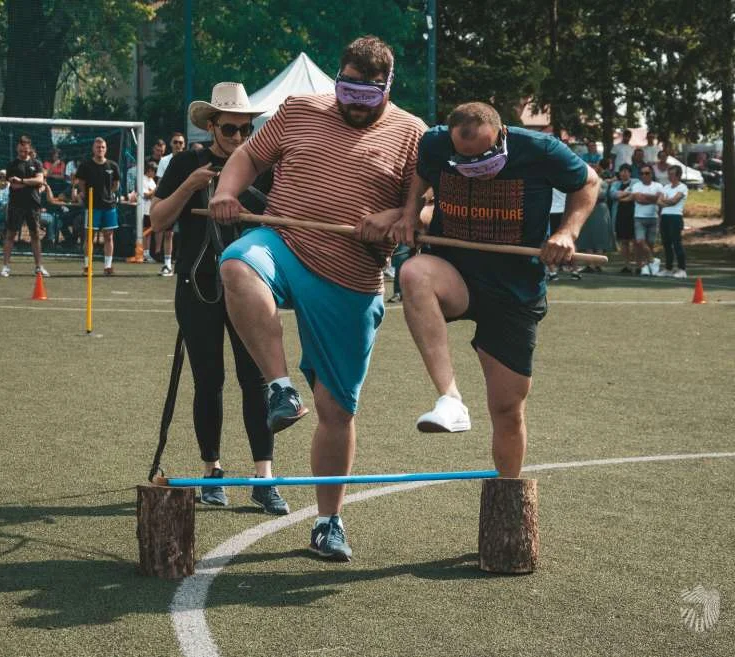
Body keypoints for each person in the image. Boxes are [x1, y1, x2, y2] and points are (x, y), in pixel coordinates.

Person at [209, 36, 427, 561]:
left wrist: (399, 219)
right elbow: (248, 156)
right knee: (237, 262)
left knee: (336, 410)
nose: (354, 101)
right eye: (347, 88)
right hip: (283, 242)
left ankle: (329, 523)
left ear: (387, 88)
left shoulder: (414, 134)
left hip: (351, 279)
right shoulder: (301, 109)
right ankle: (280, 389)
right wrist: (226, 192)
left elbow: (425, 212)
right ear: (337, 78)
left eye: (367, 94)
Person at [383, 101, 597, 481]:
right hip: (455, 274)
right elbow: (422, 176)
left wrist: (567, 232)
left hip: (514, 292)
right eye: (464, 158)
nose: (474, 164)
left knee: (507, 409)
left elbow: (588, 183)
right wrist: (410, 214)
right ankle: (450, 400)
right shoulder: (434, 143)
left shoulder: (539, 149)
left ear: (501, 135)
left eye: (483, 155)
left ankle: (509, 494)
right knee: (414, 273)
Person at [150, 82, 289, 513]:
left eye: (246, 130)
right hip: (198, 287)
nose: (238, 138)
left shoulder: (261, 165)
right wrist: (190, 186)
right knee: (208, 381)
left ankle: (263, 478)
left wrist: (248, 195)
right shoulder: (186, 162)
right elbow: (157, 220)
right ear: (211, 125)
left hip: (250, 286)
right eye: (230, 129)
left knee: (259, 382)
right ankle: (212, 470)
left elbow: (283, 219)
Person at [0, 135, 48, 278]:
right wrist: (30, 183)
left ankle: (39, 266)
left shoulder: (37, 163)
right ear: (17, 148)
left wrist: (22, 181)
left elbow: (40, 180)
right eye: (21, 149)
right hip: (16, 204)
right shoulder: (12, 165)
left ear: (29, 148)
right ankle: (6, 266)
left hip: (33, 204)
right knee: (10, 234)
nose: (23, 152)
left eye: (26, 150)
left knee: (35, 235)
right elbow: (13, 185)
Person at [74, 137, 120, 275]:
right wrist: (84, 194)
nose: (100, 149)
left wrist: (109, 194)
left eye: (103, 147)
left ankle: (108, 266)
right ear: (93, 149)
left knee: (109, 236)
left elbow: (116, 184)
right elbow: (80, 182)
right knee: (90, 236)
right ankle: (87, 266)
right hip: (92, 206)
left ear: (106, 149)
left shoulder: (113, 166)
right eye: (98, 147)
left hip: (109, 206)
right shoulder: (86, 165)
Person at [156, 132, 185, 275]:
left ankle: (186, 263)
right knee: (168, 234)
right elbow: (161, 183)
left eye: (180, 142)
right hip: (170, 201)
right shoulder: (164, 161)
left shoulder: (189, 159)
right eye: (175, 142)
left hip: (186, 201)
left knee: (188, 233)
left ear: (184, 145)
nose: (178, 145)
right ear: (171, 144)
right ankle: (167, 264)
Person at [629, 164, 663, 276]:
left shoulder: (658, 185)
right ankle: (652, 261)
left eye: (647, 173)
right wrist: (652, 198)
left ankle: (647, 267)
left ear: (651, 174)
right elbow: (639, 200)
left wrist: (647, 197)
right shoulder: (636, 186)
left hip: (653, 217)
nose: (644, 175)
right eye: (642, 173)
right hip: (639, 217)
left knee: (650, 244)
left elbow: (658, 198)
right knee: (640, 242)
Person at [656, 165, 688, 278]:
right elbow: (659, 202)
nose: (669, 176)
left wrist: (665, 200)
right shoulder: (666, 187)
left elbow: (675, 201)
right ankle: (668, 268)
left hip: (675, 217)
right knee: (666, 244)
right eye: (669, 174)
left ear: (678, 175)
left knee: (676, 243)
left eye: (672, 174)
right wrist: (666, 201)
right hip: (665, 217)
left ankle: (682, 269)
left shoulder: (683, 187)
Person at [609, 164, 637, 273]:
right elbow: (613, 195)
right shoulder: (616, 184)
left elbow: (635, 193)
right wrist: (626, 193)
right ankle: (627, 265)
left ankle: (637, 264)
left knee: (634, 241)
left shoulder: (635, 182)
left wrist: (622, 194)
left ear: (630, 173)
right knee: (623, 241)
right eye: (622, 171)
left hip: (633, 215)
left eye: (626, 171)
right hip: (619, 215)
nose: (624, 173)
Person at [140, 160, 158, 262]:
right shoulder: (143, 179)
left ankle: (147, 254)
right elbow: (146, 195)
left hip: (150, 210)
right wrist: (156, 190)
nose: (154, 173)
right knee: (144, 232)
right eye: (153, 171)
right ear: (149, 170)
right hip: (143, 210)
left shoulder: (152, 181)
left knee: (148, 232)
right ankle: (143, 253)